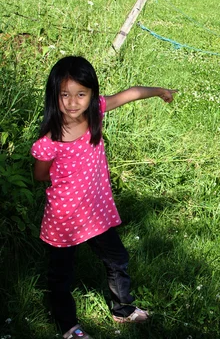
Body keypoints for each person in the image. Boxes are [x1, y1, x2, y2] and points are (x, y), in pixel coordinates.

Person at [31, 56, 177, 339]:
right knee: (61, 276)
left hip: (95, 213)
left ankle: (122, 310)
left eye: (81, 94)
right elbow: (40, 175)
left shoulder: (96, 112)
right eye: (65, 94)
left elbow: (131, 93)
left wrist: (160, 91)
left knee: (117, 259)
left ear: (92, 95)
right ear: (54, 96)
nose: (73, 102)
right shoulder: (49, 141)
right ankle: (69, 327)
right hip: (64, 217)